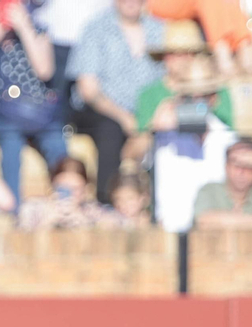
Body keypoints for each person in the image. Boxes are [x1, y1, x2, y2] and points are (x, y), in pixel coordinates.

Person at [0, 0, 65, 204]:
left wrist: (24, 29)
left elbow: (45, 71)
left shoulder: (37, 31)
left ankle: (66, 202)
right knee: (11, 139)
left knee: (56, 139)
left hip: (36, 114)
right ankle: (13, 209)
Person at [66, 0, 162, 204]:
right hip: (102, 110)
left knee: (169, 129)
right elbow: (88, 89)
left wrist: (148, 120)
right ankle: (107, 202)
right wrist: (125, 118)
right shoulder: (96, 29)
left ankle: (156, 204)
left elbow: (168, 81)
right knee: (110, 129)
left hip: (147, 111)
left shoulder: (159, 29)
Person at [148, 60, 232, 232]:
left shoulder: (227, 139)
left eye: (202, 97)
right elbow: (130, 157)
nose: (194, 103)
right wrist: (151, 131)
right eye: (188, 96)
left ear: (214, 99)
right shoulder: (163, 134)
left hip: (210, 235)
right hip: (168, 233)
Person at [134, 20, 233, 133]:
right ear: (164, 56)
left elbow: (231, 134)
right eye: (173, 53)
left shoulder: (217, 91)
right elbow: (137, 140)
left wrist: (208, 106)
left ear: (197, 55)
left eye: (186, 52)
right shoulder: (149, 95)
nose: (179, 59)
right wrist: (155, 127)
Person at [18, 153, 112, 227]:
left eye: (75, 189)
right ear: (52, 186)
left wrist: (81, 220)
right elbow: (21, 237)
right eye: (63, 188)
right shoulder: (33, 209)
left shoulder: (92, 211)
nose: (69, 194)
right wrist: (48, 221)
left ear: (85, 189)